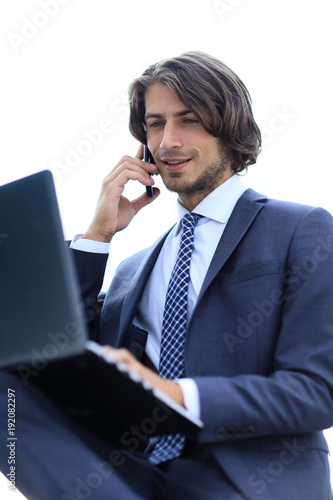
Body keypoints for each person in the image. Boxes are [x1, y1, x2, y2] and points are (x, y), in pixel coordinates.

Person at [1, 51, 333, 500]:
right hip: (134, 477)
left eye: (188, 119)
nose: (168, 141)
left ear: (230, 127)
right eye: (155, 124)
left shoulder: (300, 228)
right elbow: (51, 355)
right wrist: (98, 235)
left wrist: (175, 395)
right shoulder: (132, 271)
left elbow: (315, 391)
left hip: (246, 484)